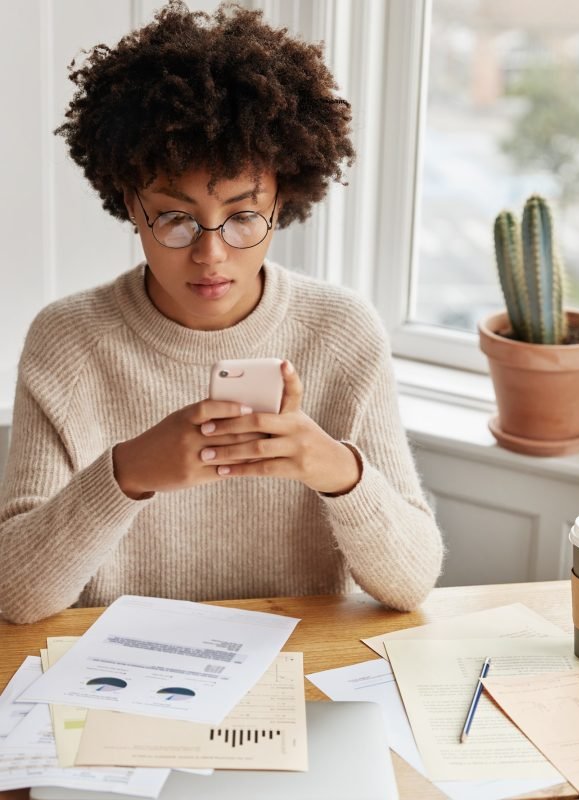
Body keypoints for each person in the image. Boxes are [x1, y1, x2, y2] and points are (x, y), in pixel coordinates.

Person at [0, 1, 443, 624]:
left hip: (298, 675)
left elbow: (412, 582)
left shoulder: (340, 332)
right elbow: (17, 596)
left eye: (242, 215)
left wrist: (332, 467)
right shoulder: (68, 340)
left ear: (283, 196)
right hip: (117, 685)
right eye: (177, 218)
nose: (211, 254)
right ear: (131, 202)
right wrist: (127, 473)